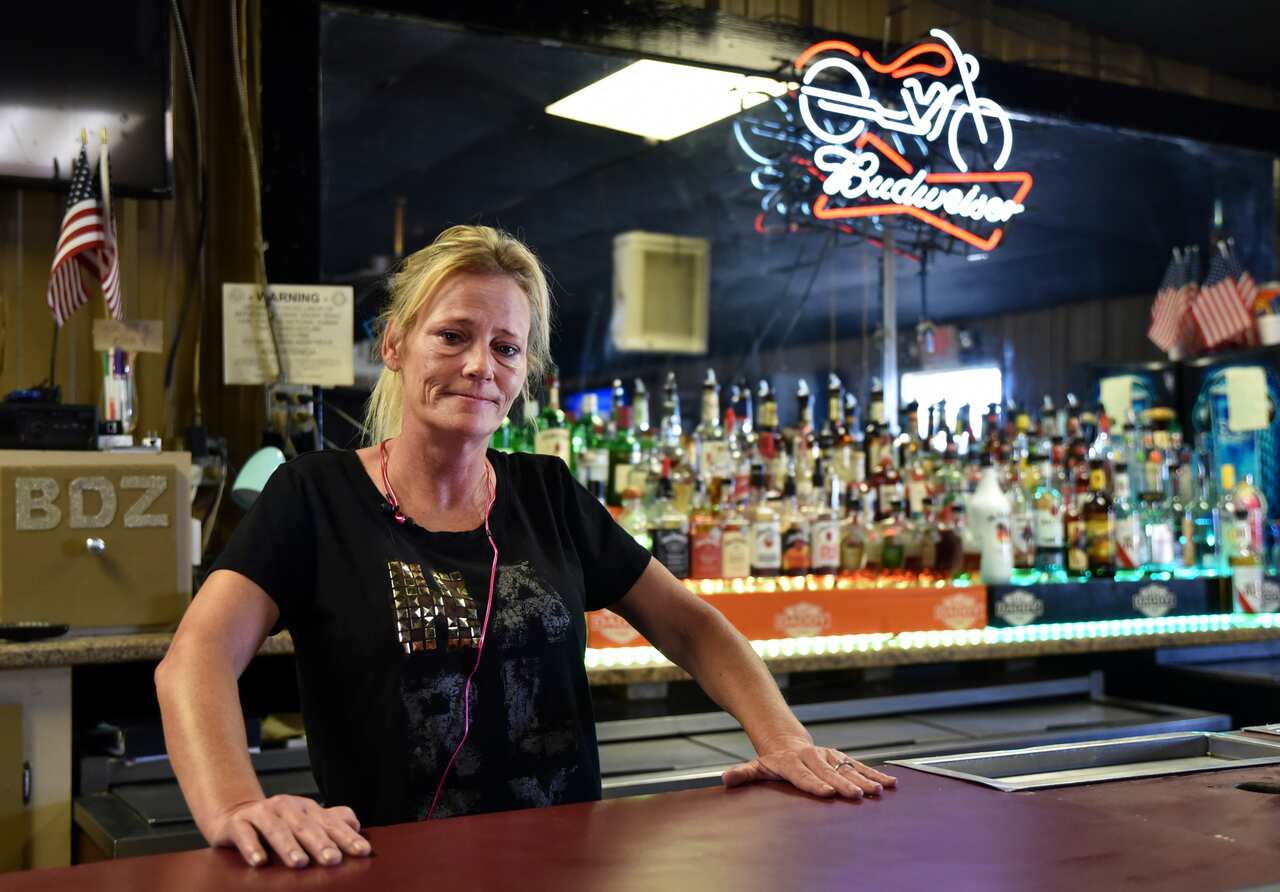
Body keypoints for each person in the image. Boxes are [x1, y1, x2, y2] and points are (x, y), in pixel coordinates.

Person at [155, 225, 896, 870]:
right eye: (453, 336)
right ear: (394, 344)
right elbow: (196, 658)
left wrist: (784, 739)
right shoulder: (314, 497)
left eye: (506, 347)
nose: (481, 365)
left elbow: (690, 626)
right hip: (382, 871)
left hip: (565, 867)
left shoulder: (547, 493)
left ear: (524, 375)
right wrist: (234, 805)